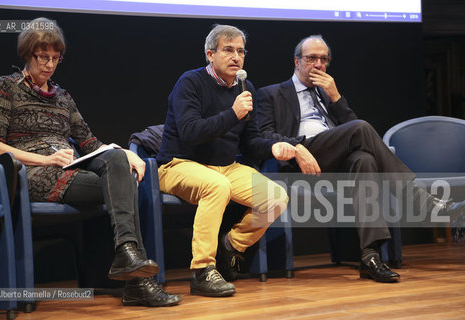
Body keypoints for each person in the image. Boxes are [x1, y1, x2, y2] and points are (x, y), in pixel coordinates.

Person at [0, 17, 181, 307]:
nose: (49, 65)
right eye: (43, 57)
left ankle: (127, 255)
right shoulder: (6, 87)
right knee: (123, 184)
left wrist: (126, 152)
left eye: (55, 58)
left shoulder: (63, 97)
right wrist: (45, 159)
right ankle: (137, 279)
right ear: (28, 54)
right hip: (33, 173)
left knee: (117, 160)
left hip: (69, 168)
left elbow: (90, 143)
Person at [256, 35, 465, 283]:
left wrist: (335, 98)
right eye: (311, 58)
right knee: (362, 128)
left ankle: (370, 256)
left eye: (324, 60)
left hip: (334, 162)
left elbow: (351, 130)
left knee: (364, 159)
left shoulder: (327, 95)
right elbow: (265, 136)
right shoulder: (271, 94)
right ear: (297, 61)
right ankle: (425, 204)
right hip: (298, 163)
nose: (318, 64)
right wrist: (298, 147)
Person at [156, 24, 296, 297]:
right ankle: (202, 271)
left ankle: (232, 245)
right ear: (210, 54)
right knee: (217, 185)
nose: (236, 57)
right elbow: (190, 132)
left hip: (226, 166)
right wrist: (233, 113)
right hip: (178, 164)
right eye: (228, 50)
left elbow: (250, 142)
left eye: (241, 51)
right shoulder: (190, 82)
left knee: (276, 196)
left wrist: (274, 148)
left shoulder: (245, 88)